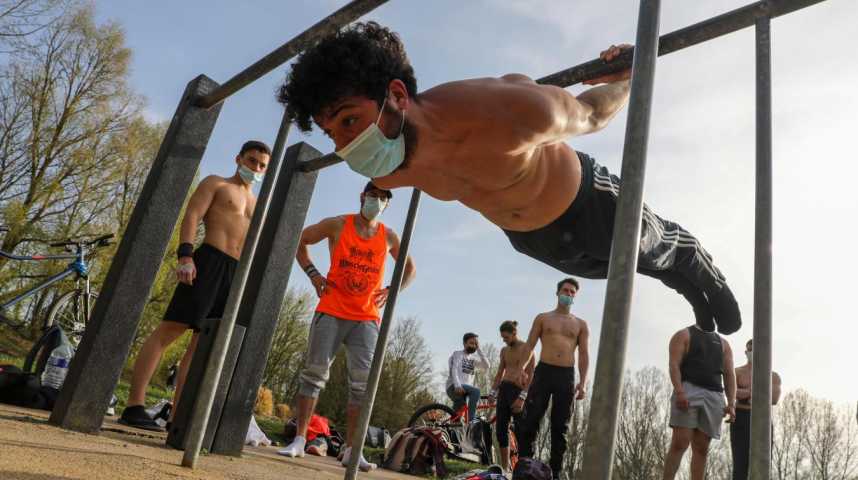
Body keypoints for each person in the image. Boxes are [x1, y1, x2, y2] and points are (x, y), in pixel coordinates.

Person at [277, 22, 741, 335]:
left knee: (656, 250)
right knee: (630, 270)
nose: (342, 145)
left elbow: (593, 114)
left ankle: (696, 265)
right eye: (331, 132)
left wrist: (630, 76)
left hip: (587, 199)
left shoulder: (510, 112)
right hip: (533, 240)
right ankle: (678, 281)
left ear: (396, 95)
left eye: (349, 121)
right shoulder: (390, 165)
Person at [119, 140, 270, 431]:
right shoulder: (217, 183)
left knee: (201, 347)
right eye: (252, 161)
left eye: (262, 165)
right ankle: (134, 405)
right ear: (239, 158)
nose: (256, 168)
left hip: (234, 273)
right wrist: (186, 254)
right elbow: (192, 215)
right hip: (208, 261)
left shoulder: (257, 204)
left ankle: (178, 416)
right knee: (169, 330)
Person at [278, 182, 416, 472]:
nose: (376, 201)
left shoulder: (389, 236)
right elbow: (300, 241)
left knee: (362, 386)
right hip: (331, 310)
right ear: (362, 197)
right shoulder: (338, 224)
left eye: (382, 198)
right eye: (372, 196)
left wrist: (392, 290)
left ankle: (353, 450)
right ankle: (300, 439)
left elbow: (410, 267)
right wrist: (314, 275)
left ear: (387, 204)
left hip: (366, 318)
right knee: (313, 374)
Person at [516, 278, 589, 480]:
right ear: (557, 293)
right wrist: (521, 369)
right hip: (544, 372)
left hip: (566, 375)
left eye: (572, 292)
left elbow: (583, 354)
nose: (569, 294)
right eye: (565, 290)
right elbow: (530, 344)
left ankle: (555, 474)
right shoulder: (543, 318)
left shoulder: (580, 324)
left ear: (575, 296)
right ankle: (524, 467)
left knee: (560, 428)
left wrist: (582, 383)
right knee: (531, 421)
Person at [663, 325, 737, 480]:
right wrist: (679, 391)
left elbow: (729, 374)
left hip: (714, 393)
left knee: (702, 447)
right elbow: (674, 365)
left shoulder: (723, 343)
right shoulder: (684, 334)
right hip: (688, 388)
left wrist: (731, 403)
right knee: (680, 442)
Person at [731, 339, 782, 480]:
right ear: (746, 352)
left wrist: (746, 392)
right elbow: (732, 392)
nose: (753, 353)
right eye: (750, 350)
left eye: (756, 349)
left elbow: (774, 398)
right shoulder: (737, 372)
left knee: (763, 462)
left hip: (762, 419)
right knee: (740, 464)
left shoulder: (773, 376)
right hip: (741, 418)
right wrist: (759, 391)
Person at [490, 320, 535, 475]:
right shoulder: (504, 350)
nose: (504, 340)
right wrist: (493, 392)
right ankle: (505, 468)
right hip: (504, 389)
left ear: (514, 333)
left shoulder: (527, 349)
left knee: (521, 432)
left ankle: (523, 470)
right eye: (502, 338)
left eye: (506, 337)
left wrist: (522, 396)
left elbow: (531, 376)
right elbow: (499, 373)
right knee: (500, 429)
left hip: (519, 391)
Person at [446, 332, 490, 423]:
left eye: (475, 344)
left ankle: (451, 428)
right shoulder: (458, 354)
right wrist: (457, 385)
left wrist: (479, 349)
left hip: (465, 390)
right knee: (476, 391)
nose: (473, 346)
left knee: (458, 415)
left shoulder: (473, 360)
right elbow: (454, 369)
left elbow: (486, 365)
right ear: (464, 343)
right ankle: (471, 421)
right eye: (471, 343)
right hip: (454, 386)